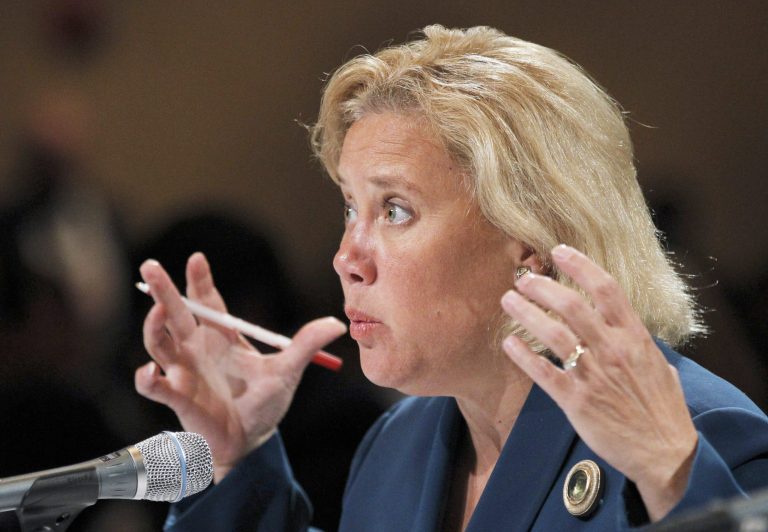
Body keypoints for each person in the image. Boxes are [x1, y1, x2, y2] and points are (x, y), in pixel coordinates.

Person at [133, 25, 768, 530]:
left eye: (395, 210)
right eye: (351, 208)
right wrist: (238, 463)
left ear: (530, 240)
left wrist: (674, 476)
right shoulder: (396, 447)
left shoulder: (696, 433)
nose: (346, 257)